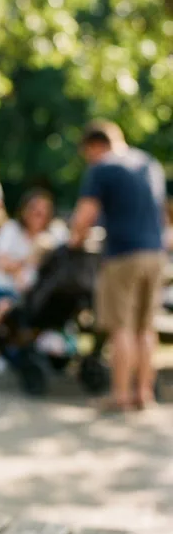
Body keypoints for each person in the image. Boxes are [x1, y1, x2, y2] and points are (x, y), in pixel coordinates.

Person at [70, 120, 167, 411]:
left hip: (123, 255)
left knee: (121, 328)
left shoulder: (103, 167)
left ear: (94, 146)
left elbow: (84, 216)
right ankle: (144, 393)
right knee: (145, 329)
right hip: (156, 254)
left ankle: (120, 395)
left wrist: (75, 240)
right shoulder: (149, 163)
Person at [0, 189, 54, 341]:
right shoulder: (11, 229)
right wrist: (28, 260)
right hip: (4, 288)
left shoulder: (52, 235)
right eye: (35, 210)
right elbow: (0, 263)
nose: (38, 215)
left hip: (36, 294)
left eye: (43, 212)